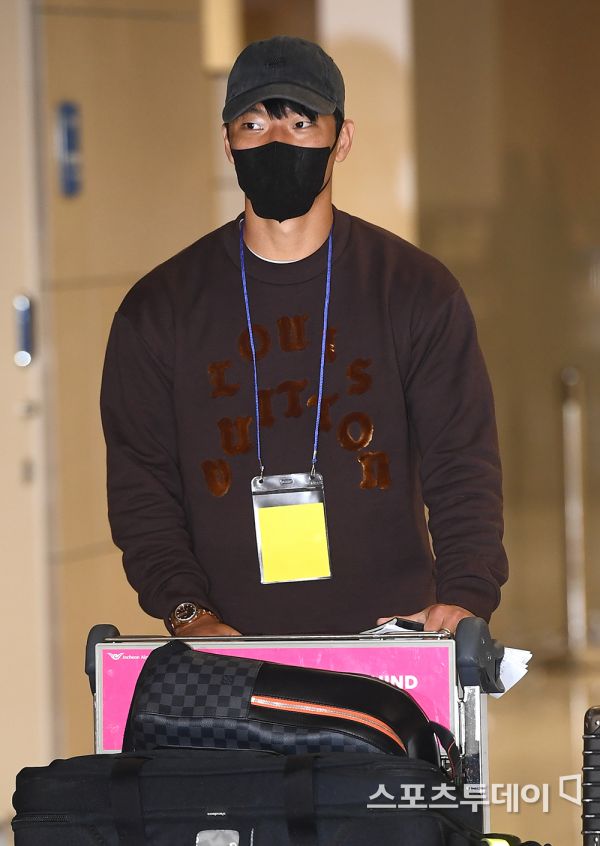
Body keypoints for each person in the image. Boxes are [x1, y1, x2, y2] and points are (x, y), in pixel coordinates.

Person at [100, 35, 508, 640]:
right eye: (253, 124)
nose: (276, 141)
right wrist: (189, 613)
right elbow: (142, 487)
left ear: (342, 139)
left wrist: (465, 595)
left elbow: (462, 462)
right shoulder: (159, 309)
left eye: (300, 122)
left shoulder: (414, 290)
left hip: (391, 640)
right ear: (227, 142)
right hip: (226, 649)